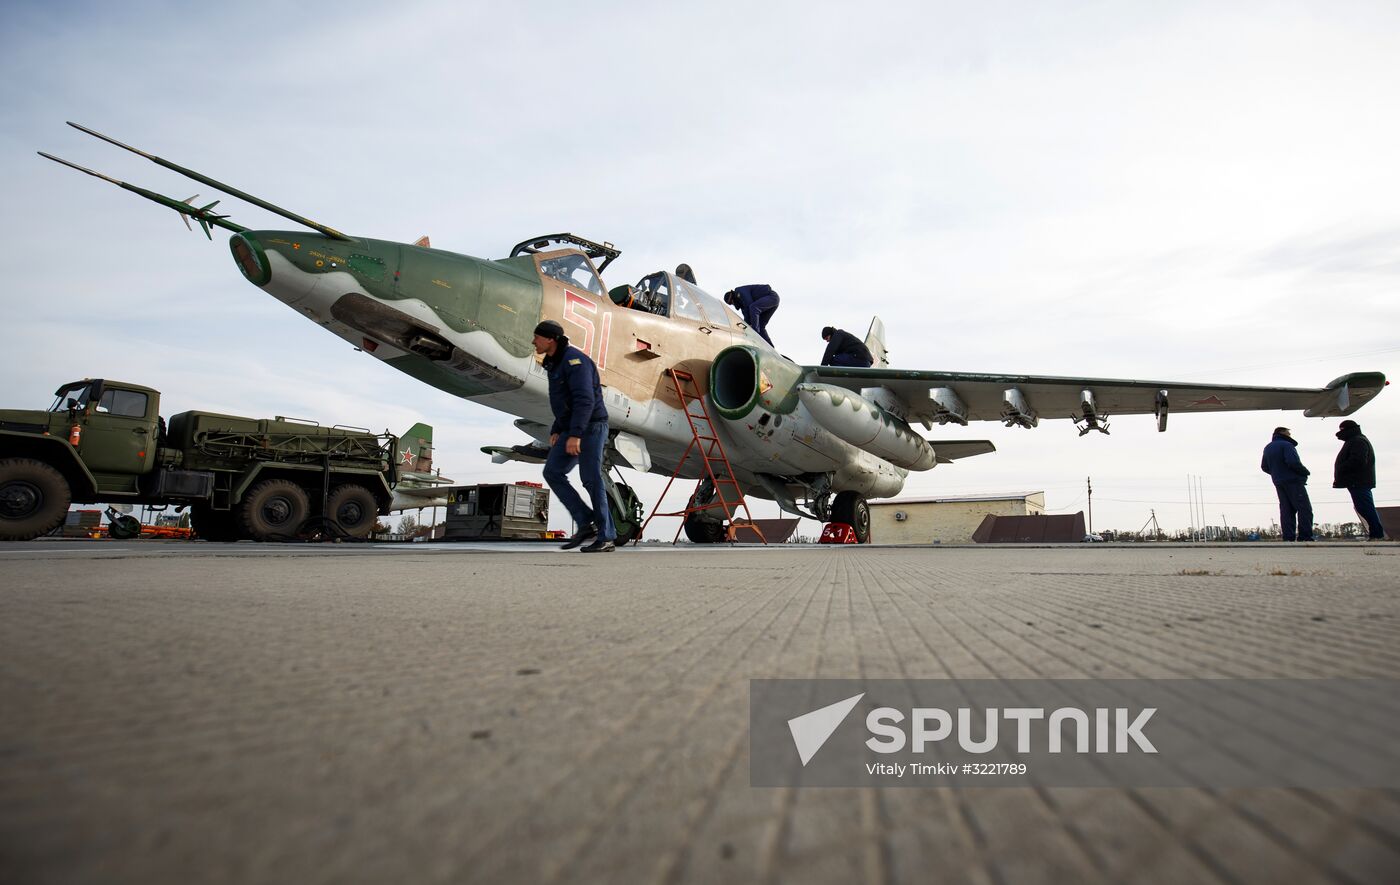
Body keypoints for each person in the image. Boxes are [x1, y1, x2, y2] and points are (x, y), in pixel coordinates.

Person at [533, 319, 615, 553]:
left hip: (591, 426)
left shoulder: (574, 361)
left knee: (590, 478)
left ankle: (606, 536)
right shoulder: (552, 362)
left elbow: (584, 400)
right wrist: (557, 430)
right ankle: (585, 522)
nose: (533, 341)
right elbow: (561, 400)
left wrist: (576, 435)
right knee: (552, 472)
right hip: (571, 428)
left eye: (537, 337)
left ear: (550, 339)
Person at [1334, 419, 1385, 540]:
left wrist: (1342, 467)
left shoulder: (1357, 441)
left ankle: (1377, 534)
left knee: (1365, 507)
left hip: (1358, 481)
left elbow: (1358, 460)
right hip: (1358, 480)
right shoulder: (1357, 440)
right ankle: (1376, 533)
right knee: (1363, 507)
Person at [1261, 426, 1314, 542]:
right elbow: (1293, 462)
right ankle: (1305, 537)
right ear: (1283, 433)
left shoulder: (1268, 448)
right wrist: (1304, 472)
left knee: (1286, 510)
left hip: (1278, 482)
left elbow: (1264, 466)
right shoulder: (1287, 445)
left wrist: (1276, 473)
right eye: (1288, 434)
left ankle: (1288, 537)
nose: (1290, 436)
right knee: (1304, 509)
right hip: (1293, 481)